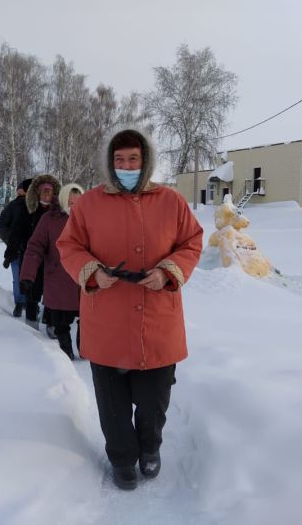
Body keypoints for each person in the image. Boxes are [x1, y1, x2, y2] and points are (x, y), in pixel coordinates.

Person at [57, 128, 203, 490]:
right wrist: (91, 271)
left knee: (154, 401)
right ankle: (122, 459)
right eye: (119, 160)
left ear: (145, 161)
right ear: (110, 162)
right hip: (107, 320)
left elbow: (192, 241)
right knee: (113, 405)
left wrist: (169, 271)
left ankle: (150, 448)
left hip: (158, 320)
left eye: (133, 159)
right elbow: (69, 245)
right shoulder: (89, 204)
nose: (126, 166)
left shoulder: (171, 201)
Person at [19, 183, 85, 359]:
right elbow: (34, 248)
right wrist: (27, 275)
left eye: (77, 203)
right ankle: (66, 352)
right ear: (63, 201)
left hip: (83, 279)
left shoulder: (90, 218)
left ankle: (84, 348)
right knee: (61, 322)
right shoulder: (49, 220)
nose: (74, 207)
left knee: (87, 318)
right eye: (70, 203)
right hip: (58, 279)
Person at [4, 174, 61, 329]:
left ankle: (51, 324)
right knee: (31, 291)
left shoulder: (59, 213)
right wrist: (10, 253)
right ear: (37, 193)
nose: (47, 195)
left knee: (52, 291)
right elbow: (16, 232)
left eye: (50, 192)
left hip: (53, 260)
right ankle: (31, 325)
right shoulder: (27, 210)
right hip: (32, 258)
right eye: (44, 191)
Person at [0, 178, 33, 317]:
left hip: (28, 249)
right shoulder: (13, 206)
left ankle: (27, 302)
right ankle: (21, 303)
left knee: (22, 276)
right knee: (22, 276)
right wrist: (13, 240)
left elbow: (1, 227)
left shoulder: (35, 205)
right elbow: (1, 226)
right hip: (19, 249)